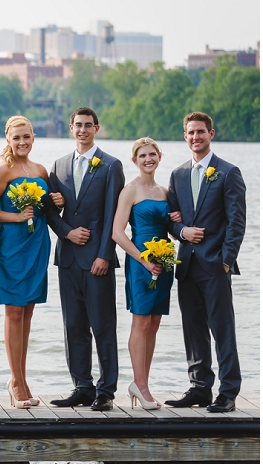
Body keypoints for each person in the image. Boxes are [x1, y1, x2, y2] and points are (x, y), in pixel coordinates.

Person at [164, 112, 246, 413]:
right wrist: (182, 231)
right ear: (185, 136)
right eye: (190, 132)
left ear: (211, 133)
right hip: (186, 265)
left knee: (222, 329)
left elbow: (237, 222)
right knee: (193, 328)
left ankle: (228, 392)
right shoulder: (178, 175)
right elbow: (171, 221)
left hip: (215, 265)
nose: (195, 137)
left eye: (200, 132)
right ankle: (200, 387)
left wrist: (226, 260)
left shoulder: (228, 172)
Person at [45, 107, 125, 412]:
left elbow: (112, 216)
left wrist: (105, 254)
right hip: (67, 258)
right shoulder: (60, 165)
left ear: (97, 128)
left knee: (103, 325)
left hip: (97, 260)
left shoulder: (110, 166)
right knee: (73, 325)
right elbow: (50, 210)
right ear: (70, 127)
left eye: (88, 125)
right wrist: (66, 233)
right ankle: (82, 386)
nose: (82, 130)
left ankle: (106, 390)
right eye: (78, 125)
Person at [0, 115, 51, 409]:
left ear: (33, 137)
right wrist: (16, 216)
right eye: (16, 138)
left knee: (28, 312)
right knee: (13, 312)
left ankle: (23, 378)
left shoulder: (41, 170)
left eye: (26, 137)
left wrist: (57, 201)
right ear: (8, 140)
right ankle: (15, 382)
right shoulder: (2, 171)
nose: (22, 142)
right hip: (12, 244)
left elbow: (47, 209)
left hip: (37, 244)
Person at [111, 137, 172, 410]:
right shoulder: (130, 190)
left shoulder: (165, 191)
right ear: (134, 160)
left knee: (155, 322)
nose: (148, 159)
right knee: (141, 322)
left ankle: (142, 383)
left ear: (160, 156)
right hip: (141, 262)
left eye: (152, 154)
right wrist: (144, 261)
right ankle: (140, 384)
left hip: (165, 261)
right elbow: (117, 233)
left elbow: (170, 227)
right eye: (142, 155)